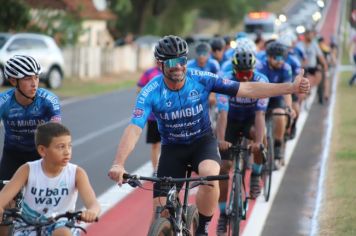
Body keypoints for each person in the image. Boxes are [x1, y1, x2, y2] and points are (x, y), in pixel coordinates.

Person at [108, 35, 310, 236]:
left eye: (182, 60)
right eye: (172, 62)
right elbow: (134, 128)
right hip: (172, 149)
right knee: (160, 213)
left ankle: (203, 229)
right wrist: (119, 162)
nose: (178, 66)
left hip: (201, 142)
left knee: (209, 174)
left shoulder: (201, 78)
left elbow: (247, 88)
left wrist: (290, 87)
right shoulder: (150, 91)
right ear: (160, 64)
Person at [0, 122, 100, 236]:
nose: (67, 151)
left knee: (62, 233)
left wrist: (91, 212)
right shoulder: (27, 170)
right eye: (61, 147)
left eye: (69, 146)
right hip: (29, 225)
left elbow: (93, 204)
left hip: (61, 223)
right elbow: (2, 199)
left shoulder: (77, 173)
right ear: (42, 150)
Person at [215, 46, 269, 234]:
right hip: (230, 120)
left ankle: (256, 173)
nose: (245, 78)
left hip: (250, 120)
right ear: (234, 71)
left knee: (260, 140)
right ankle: (223, 214)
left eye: (248, 73)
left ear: (253, 70)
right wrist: (221, 140)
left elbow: (260, 115)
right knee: (223, 168)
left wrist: (258, 142)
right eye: (241, 74)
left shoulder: (261, 81)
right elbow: (222, 114)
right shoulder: (225, 81)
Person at [0, 55, 62, 184]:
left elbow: (56, 132)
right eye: (28, 79)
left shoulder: (49, 100)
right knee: (4, 196)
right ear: (13, 81)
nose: (34, 84)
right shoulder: (3, 101)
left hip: (40, 154)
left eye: (37, 77)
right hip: (13, 154)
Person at [256, 41, 296, 168]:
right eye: (276, 58)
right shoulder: (260, 68)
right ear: (268, 57)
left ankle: (278, 143)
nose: (280, 61)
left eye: (282, 58)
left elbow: (287, 91)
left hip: (277, 99)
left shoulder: (286, 68)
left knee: (280, 114)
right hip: (262, 97)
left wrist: (289, 107)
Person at [137, 62, 162, 173]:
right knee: (155, 144)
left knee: (170, 144)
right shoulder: (149, 72)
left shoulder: (172, 71)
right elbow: (139, 89)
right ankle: (155, 170)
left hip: (169, 115)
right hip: (153, 117)